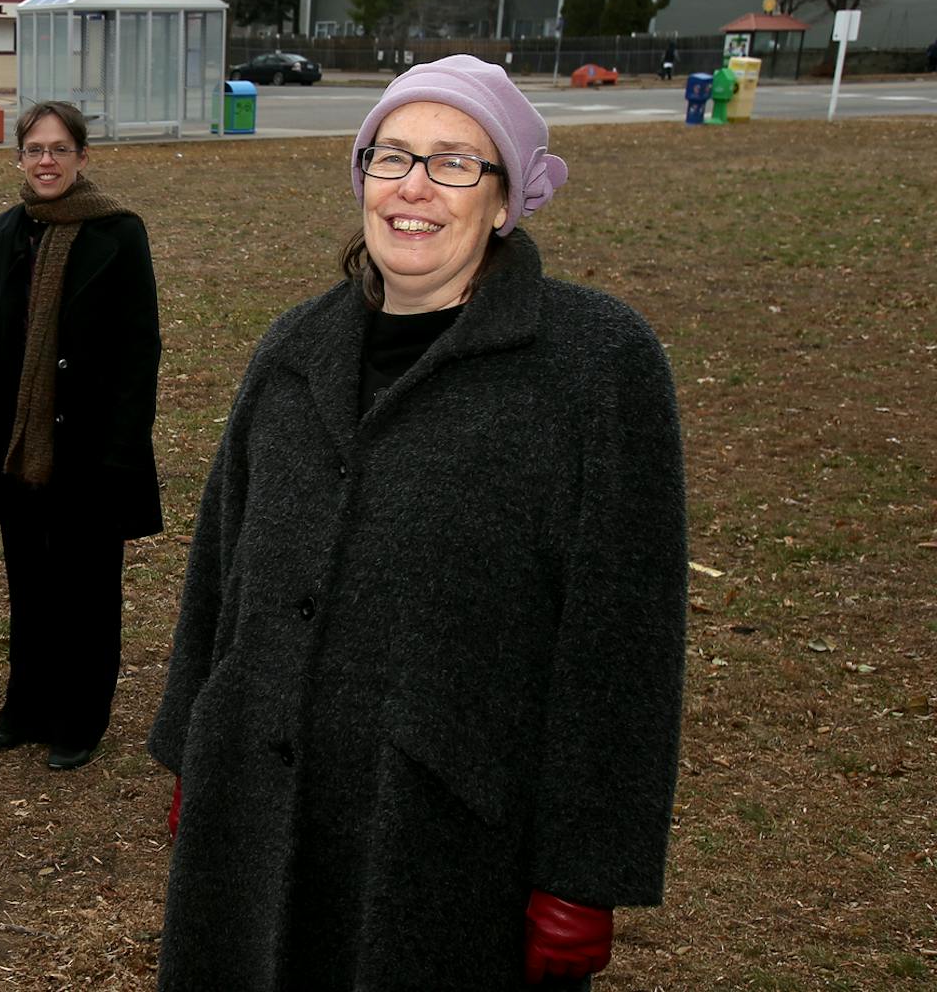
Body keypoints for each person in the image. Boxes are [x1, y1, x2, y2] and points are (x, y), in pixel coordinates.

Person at [148, 55, 687, 989]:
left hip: (448, 841)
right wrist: (195, 751)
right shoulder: (294, 349)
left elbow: (624, 645)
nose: (414, 187)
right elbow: (219, 571)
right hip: (257, 814)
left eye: (455, 163)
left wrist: (584, 872)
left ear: (506, 199)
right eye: (391, 156)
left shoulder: (595, 366)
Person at [0, 100, 161, 772]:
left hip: (88, 447)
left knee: (87, 591)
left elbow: (139, 351)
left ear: (82, 157)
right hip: (16, 446)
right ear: (19, 158)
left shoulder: (118, 234)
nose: (47, 161)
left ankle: (79, 719)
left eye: (60, 149)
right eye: (35, 149)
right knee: (30, 584)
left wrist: (122, 452)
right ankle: (26, 709)